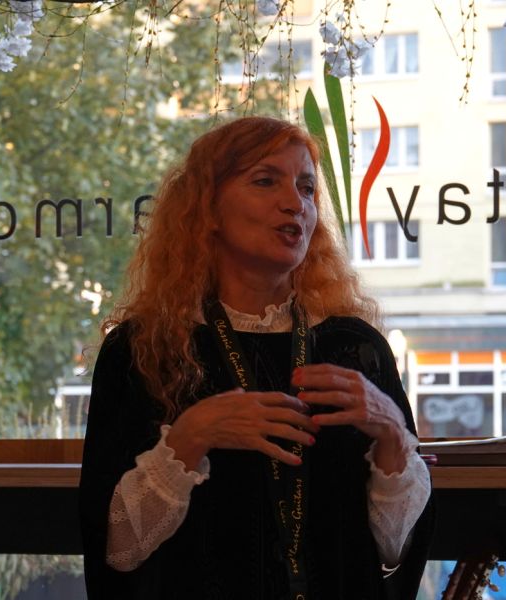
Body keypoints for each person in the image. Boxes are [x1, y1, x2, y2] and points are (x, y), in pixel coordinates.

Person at [79, 116, 434, 600]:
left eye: (306, 188)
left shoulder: (355, 347)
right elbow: (118, 550)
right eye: (266, 181)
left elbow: (395, 554)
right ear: (208, 209)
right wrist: (190, 437)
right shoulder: (145, 348)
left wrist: (392, 432)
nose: (295, 203)